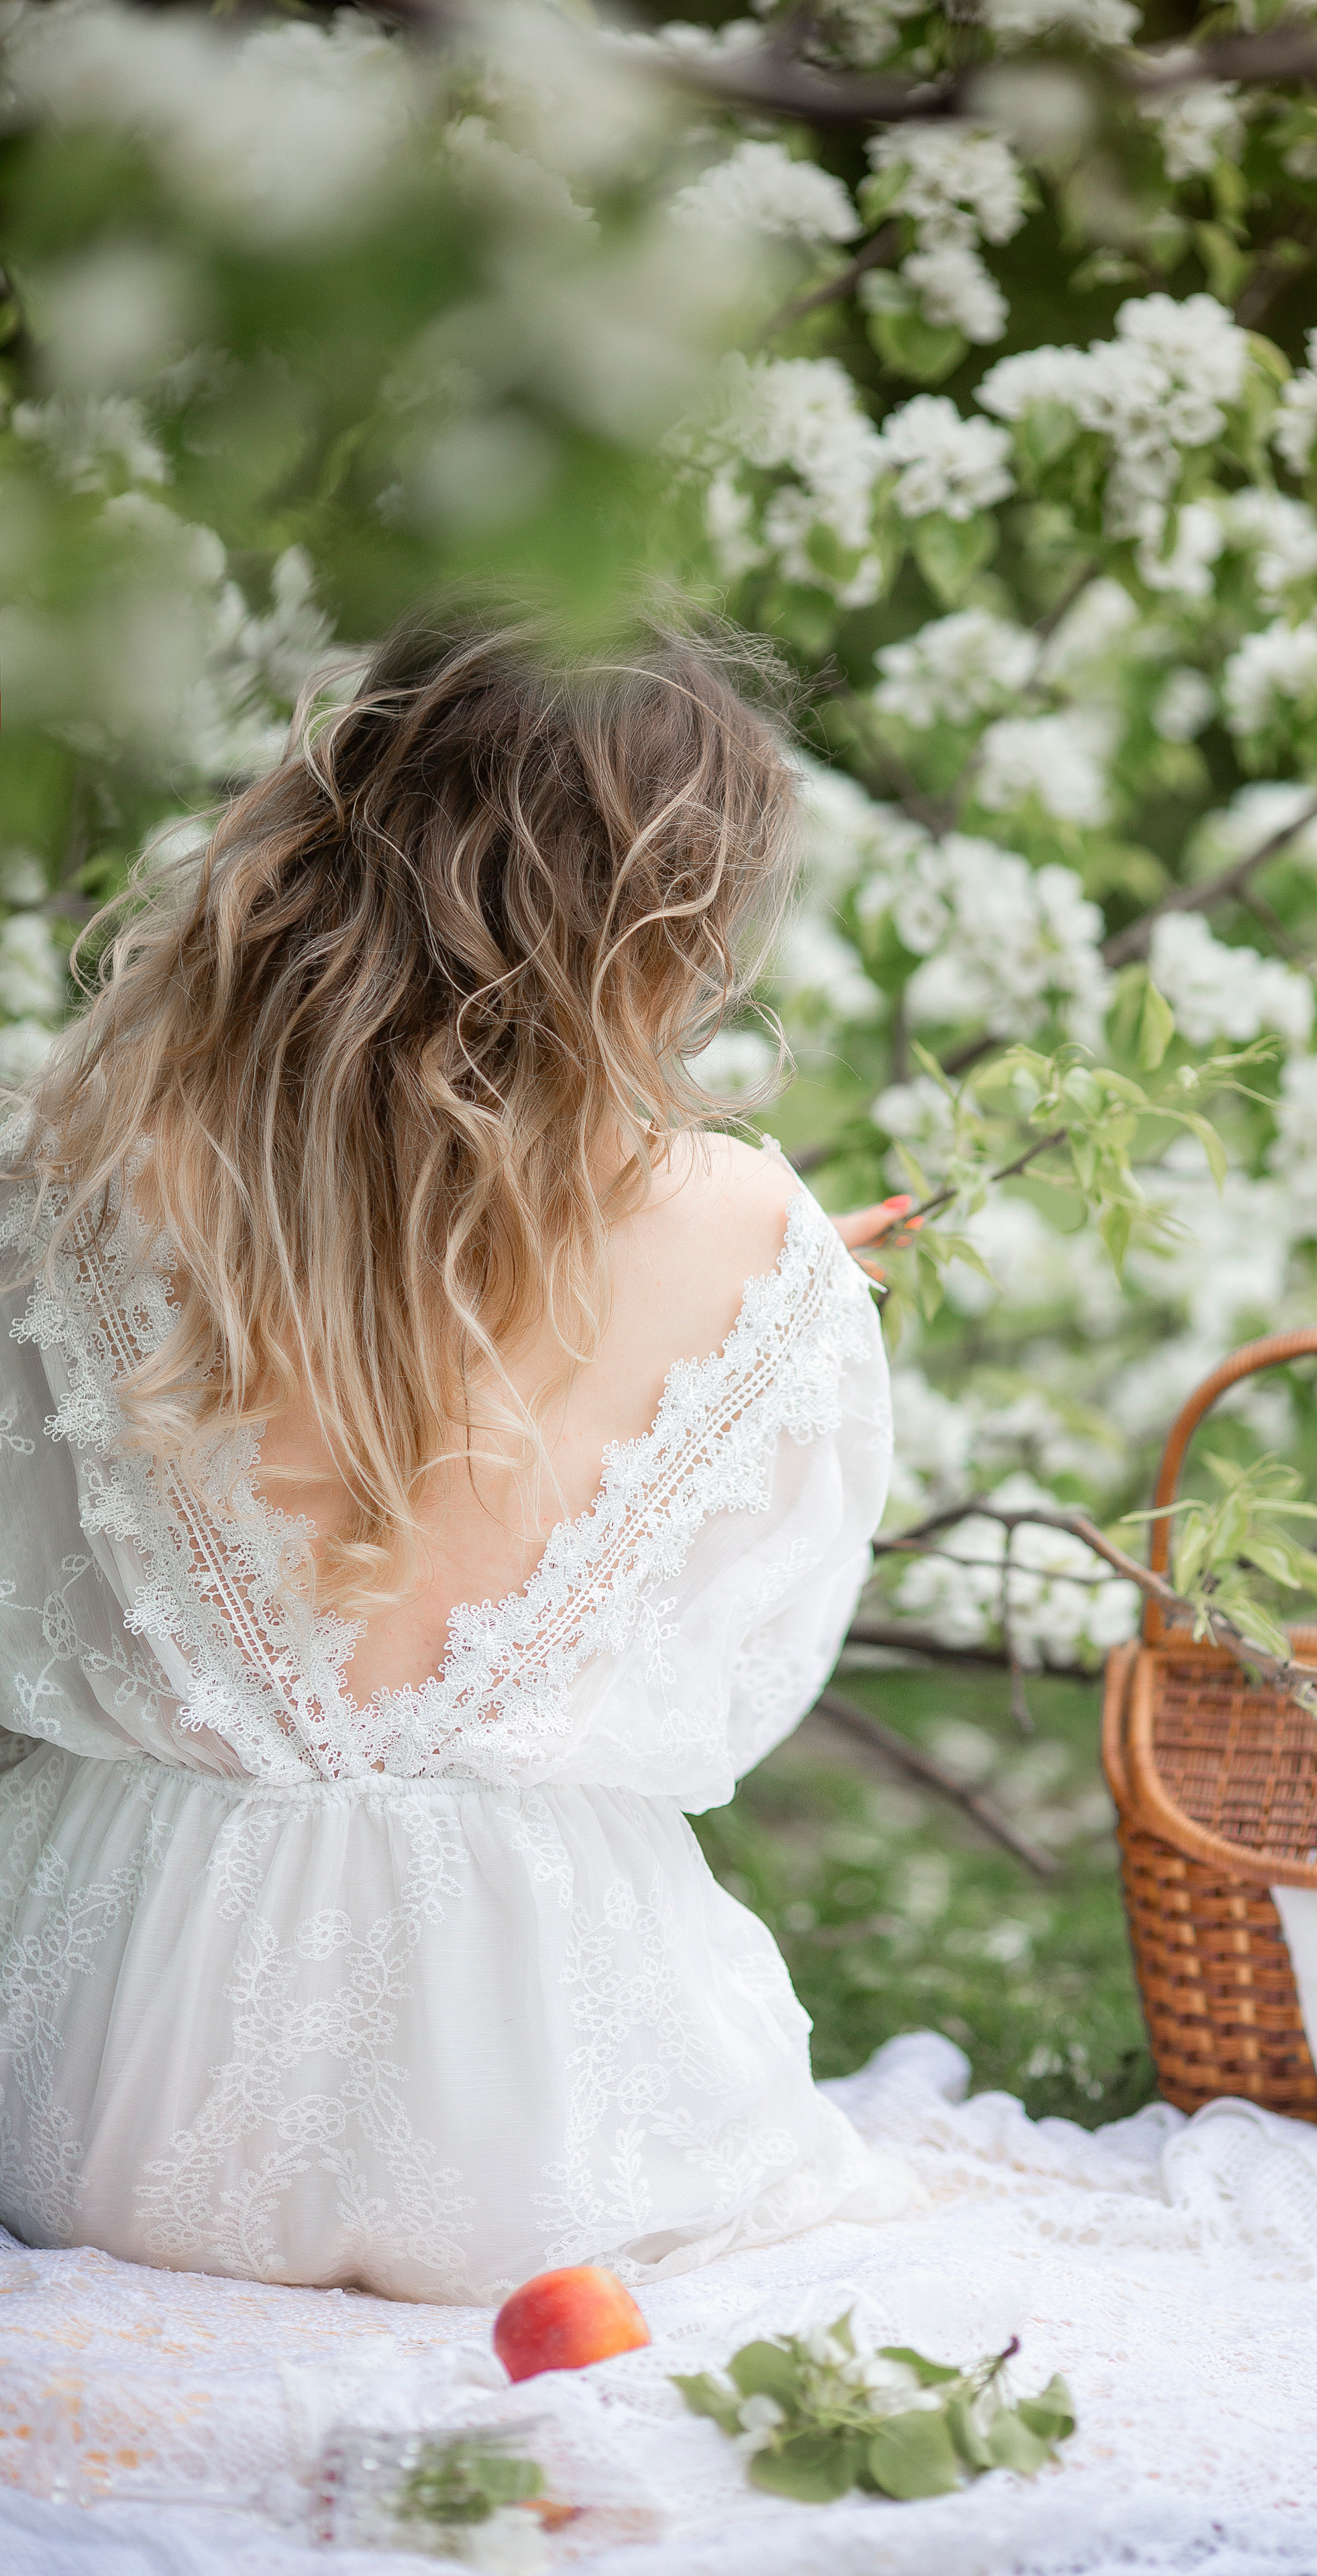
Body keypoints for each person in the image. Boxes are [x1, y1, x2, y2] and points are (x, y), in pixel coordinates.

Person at [0, 610, 916, 2304]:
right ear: (676, 918)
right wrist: (768, 1330)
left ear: (340, 818)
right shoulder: (757, 1239)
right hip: (549, 2116)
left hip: (112, 2085)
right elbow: (732, 1692)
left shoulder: (75, 1163)